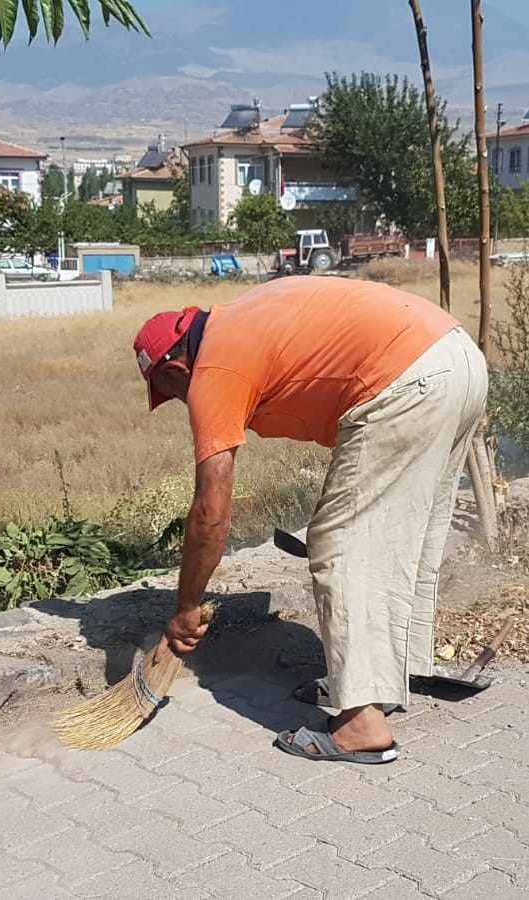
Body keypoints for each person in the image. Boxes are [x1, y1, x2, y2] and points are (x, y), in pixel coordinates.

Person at [132, 276, 487, 764]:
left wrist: (186, 607)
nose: (178, 402)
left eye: (169, 391)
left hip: (406, 378)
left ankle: (362, 725)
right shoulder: (244, 315)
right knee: (399, 536)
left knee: (339, 544)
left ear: (176, 366)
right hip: (457, 357)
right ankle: (376, 681)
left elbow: (211, 515)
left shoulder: (214, 366)